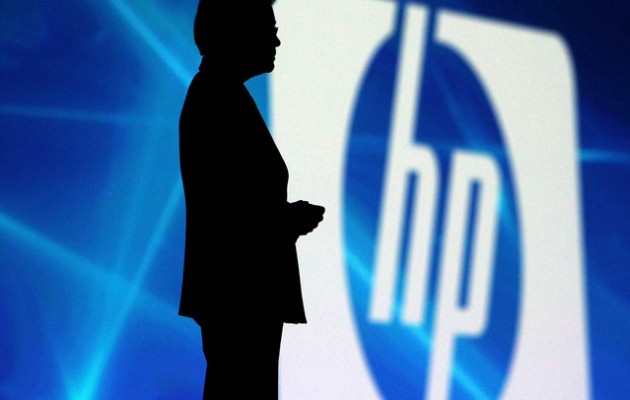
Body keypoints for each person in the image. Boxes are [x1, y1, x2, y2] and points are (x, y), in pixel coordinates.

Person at [177, 1, 325, 398]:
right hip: (239, 294)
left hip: (243, 293)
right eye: (268, 30)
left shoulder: (222, 94)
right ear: (235, 31)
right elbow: (225, 211)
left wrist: (283, 220)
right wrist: (285, 222)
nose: (276, 41)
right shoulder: (216, 97)